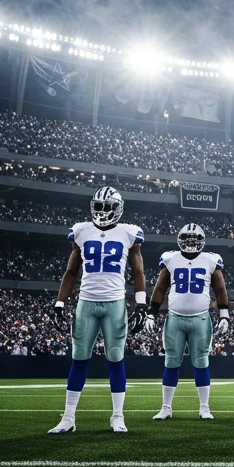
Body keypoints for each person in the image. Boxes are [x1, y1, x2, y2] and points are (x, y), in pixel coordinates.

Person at [48, 186, 146, 434]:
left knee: (116, 358)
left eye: (107, 207)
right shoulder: (81, 230)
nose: (102, 211)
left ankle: (117, 416)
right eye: (99, 206)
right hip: (86, 302)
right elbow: (71, 272)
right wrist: (59, 304)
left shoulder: (128, 233)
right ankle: (68, 418)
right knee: (79, 359)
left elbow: (138, 272)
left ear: (118, 209)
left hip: (115, 303)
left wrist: (141, 304)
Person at [148, 223, 230, 419]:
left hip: (200, 318)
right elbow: (160, 288)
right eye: (187, 239)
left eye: (195, 240)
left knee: (201, 362)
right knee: (171, 362)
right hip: (175, 318)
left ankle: (204, 407)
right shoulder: (171, 259)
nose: (191, 244)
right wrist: (152, 312)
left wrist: (224, 314)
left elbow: (220, 289)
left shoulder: (210, 260)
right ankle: (166, 408)